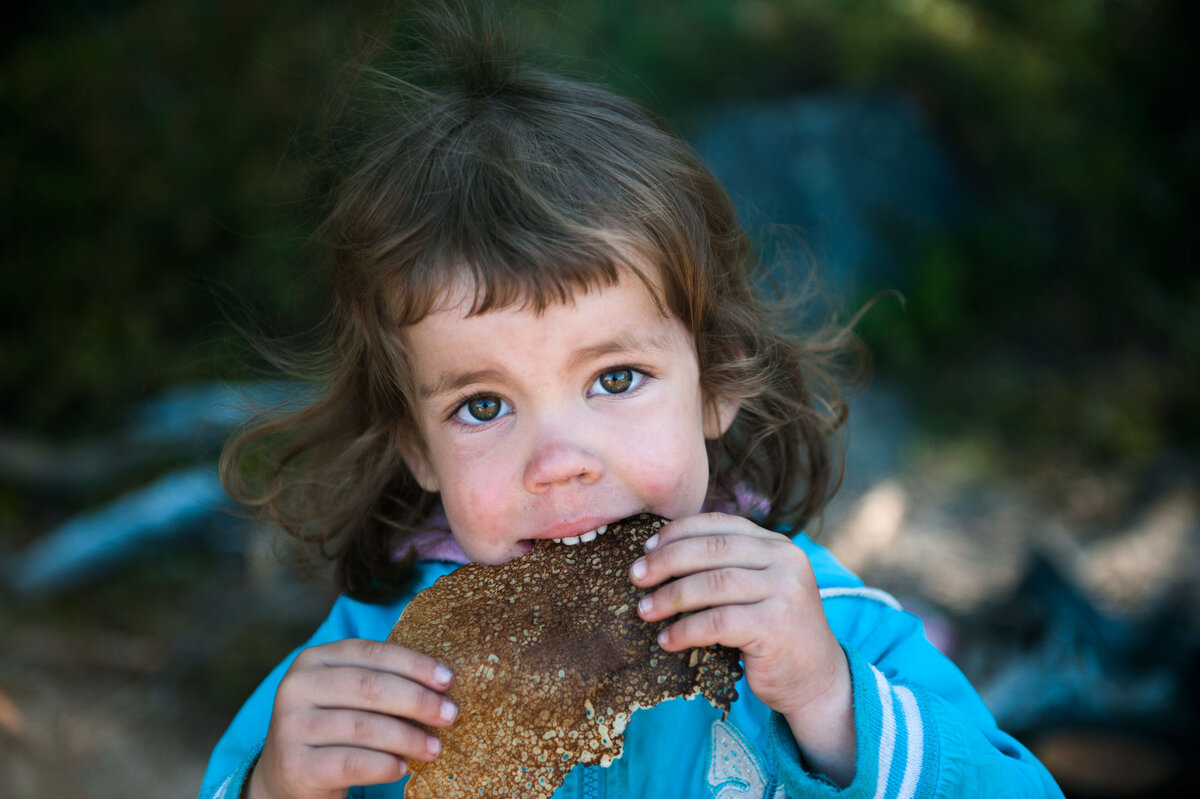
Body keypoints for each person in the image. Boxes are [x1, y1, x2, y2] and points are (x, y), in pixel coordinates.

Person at [199, 5, 1063, 798]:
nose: (559, 461)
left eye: (614, 379)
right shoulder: (371, 666)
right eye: (483, 406)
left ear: (716, 382)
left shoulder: (817, 623)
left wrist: (830, 701)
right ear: (416, 445)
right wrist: (274, 786)